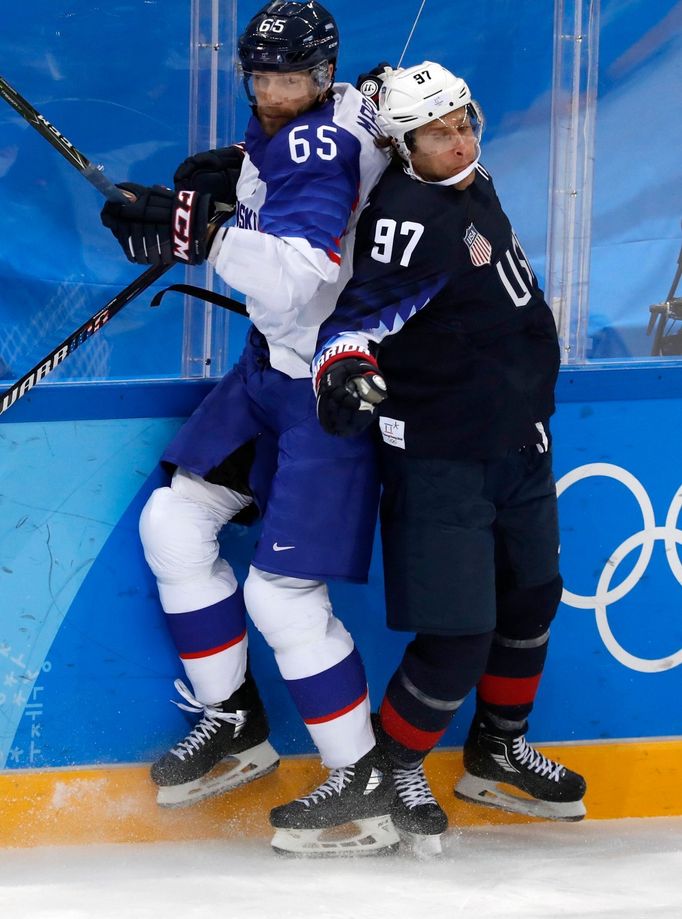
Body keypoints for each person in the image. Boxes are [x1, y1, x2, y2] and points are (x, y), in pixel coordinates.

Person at [100, 1, 399, 857]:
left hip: (326, 384)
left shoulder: (322, 139)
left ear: (324, 72)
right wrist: (232, 172)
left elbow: (300, 278)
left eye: (292, 79)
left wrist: (201, 231)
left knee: (281, 593)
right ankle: (233, 718)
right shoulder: (338, 105)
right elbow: (292, 169)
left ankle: (362, 780)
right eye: (262, 78)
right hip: (271, 371)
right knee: (174, 520)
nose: (274, 94)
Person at [313, 61, 587, 856]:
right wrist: (346, 374)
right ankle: (393, 765)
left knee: (533, 598)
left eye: (466, 117)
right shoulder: (406, 223)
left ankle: (497, 749)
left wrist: (389, 86)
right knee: (461, 634)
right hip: (443, 457)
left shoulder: (470, 177)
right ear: (403, 149)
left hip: (518, 442)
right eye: (439, 130)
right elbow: (351, 329)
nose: (461, 136)